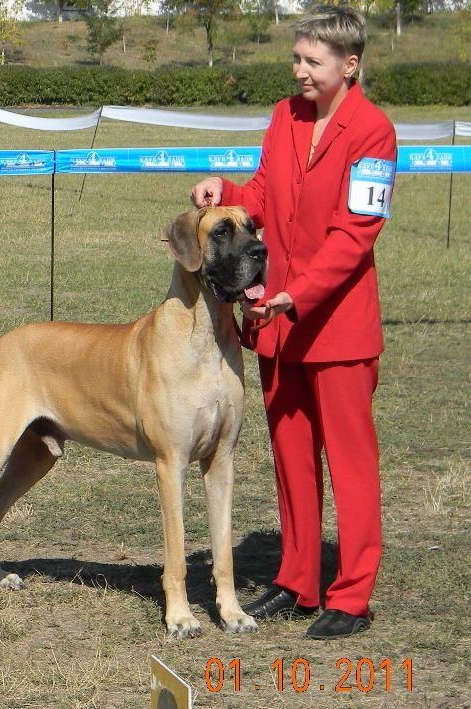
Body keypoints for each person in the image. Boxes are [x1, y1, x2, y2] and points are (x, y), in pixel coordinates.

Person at [191, 5, 397, 639]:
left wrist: (296, 293)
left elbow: (356, 234)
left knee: (351, 466)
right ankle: (298, 579)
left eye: (313, 61)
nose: (300, 71)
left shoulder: (374, 132)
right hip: (276, 324)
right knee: (290, 458)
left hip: (337, 330)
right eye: (297, 59)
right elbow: (263, 193)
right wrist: (225, 191)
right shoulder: (285, 116)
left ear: (349, 65)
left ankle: (352, 595)